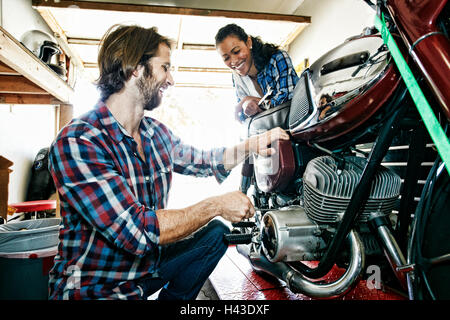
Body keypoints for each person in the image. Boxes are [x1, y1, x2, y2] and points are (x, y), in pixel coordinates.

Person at [47, 24, 289, 300]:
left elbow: (205, 160)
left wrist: (252, 145)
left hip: (146, 268)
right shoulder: (80, 141)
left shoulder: (154, 133)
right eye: (165, 67)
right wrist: (217, 204)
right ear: (135, 67)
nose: (171, 79)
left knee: (217, 235)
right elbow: (136, 231)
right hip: (98, 287)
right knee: (210, 220)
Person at [215, 23, 299, 122]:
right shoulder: (237, 77)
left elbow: (287, 100)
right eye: (226, 58)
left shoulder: (277, 59)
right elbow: (242, 115)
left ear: (249, 43)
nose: (233, 61)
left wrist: (249, 100)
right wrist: (247, 105)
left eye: (237, 51)